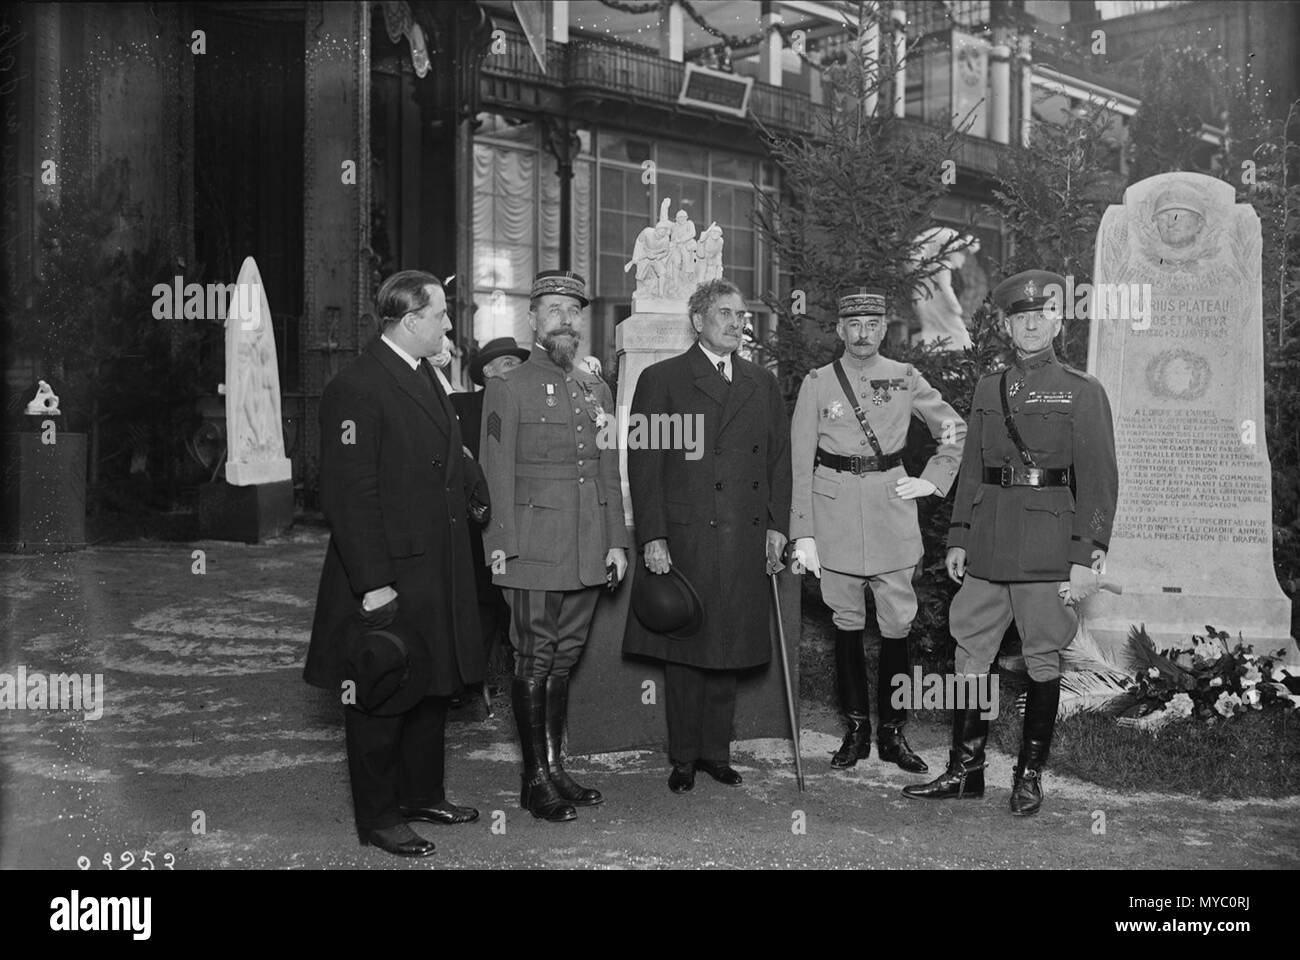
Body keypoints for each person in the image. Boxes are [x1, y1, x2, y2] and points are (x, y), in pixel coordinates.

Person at [903, 270, 1118, 816]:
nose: (1029, 325)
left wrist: (1086, 556)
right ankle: (965, 771)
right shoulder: (987, 388)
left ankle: (1028, 776)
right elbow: (973, 467)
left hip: (1049, 547)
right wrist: (958, 537)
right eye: (1019, 317)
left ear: (1057, 320)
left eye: (1040, 315)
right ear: (1005, 324)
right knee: (970, 653)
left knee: (1043, 658)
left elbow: (1098, 480)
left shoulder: (1082, 390)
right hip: (990, 542)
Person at [304, 269, 486, 858]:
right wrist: (375, 584)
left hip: (436, 565)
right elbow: (348, 495)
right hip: (389, 571)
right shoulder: (356, 387)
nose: (450, 324)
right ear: (409, 321)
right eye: (441, 314)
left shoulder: (423, 374)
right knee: (382, 689)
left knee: (431, 684)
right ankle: (379, 818)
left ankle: (421, 792)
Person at [623, 278, 792, 794]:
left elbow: (779, 462)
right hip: (687, 536)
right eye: (724, 313)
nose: (736, 322)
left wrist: (777, 527)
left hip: (744, 534)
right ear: (697, 321)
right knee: (688, 650)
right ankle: (682, 758)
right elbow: (644, 465)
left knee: (731, 648)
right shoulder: (662, 379)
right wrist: (653, 535)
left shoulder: (762, 383)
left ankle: (717, 753)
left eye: (741, 315)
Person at [789, 289, 965, 773]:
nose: (863, 333)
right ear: (840, 331)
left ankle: (891, 733)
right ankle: (855, 731)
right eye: (854, 324)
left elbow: (953, 429)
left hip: (891, 511)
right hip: (834, 513)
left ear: (884, 328)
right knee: (845, 624)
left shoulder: (905, 378)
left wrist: (933, 479)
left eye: (872, 323)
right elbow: (800, 460)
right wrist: (802, 532)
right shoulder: (818, 383)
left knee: (896, 627)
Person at [480, 270, 630, 822]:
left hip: (589, 546)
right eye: (553, 310)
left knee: (564, 658)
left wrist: (617, 542)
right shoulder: (508, 385)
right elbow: (495, 475)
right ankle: (532, 779)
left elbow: (608, 473)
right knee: (534, 656)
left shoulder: (598, 390)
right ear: (533, 319)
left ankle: (556, 766)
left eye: (574, 310)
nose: (565, 319)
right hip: (533, 550)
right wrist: (501, 546)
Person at [450, 337, 530, 694]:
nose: (517, 369)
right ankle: (470, 681)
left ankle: (518, 676)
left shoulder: (528, 405)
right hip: (474, 521)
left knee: (516, 600)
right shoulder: (460, 405)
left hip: (519, 519)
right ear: (488, 370)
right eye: (509, 363)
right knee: (480, 600)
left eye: (519, 363)